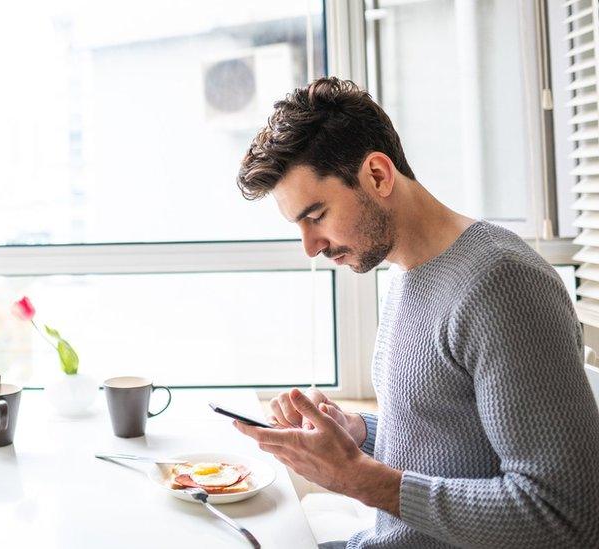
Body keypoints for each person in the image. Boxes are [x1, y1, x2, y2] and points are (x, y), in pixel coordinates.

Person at [232, 77, 599, 548]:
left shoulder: (502, 284)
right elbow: (456, 439)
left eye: (317, 214)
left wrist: (361, 479)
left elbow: (568, 517)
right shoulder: (407, 273)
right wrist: (358, 433)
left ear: (378, 176)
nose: (310, 246)